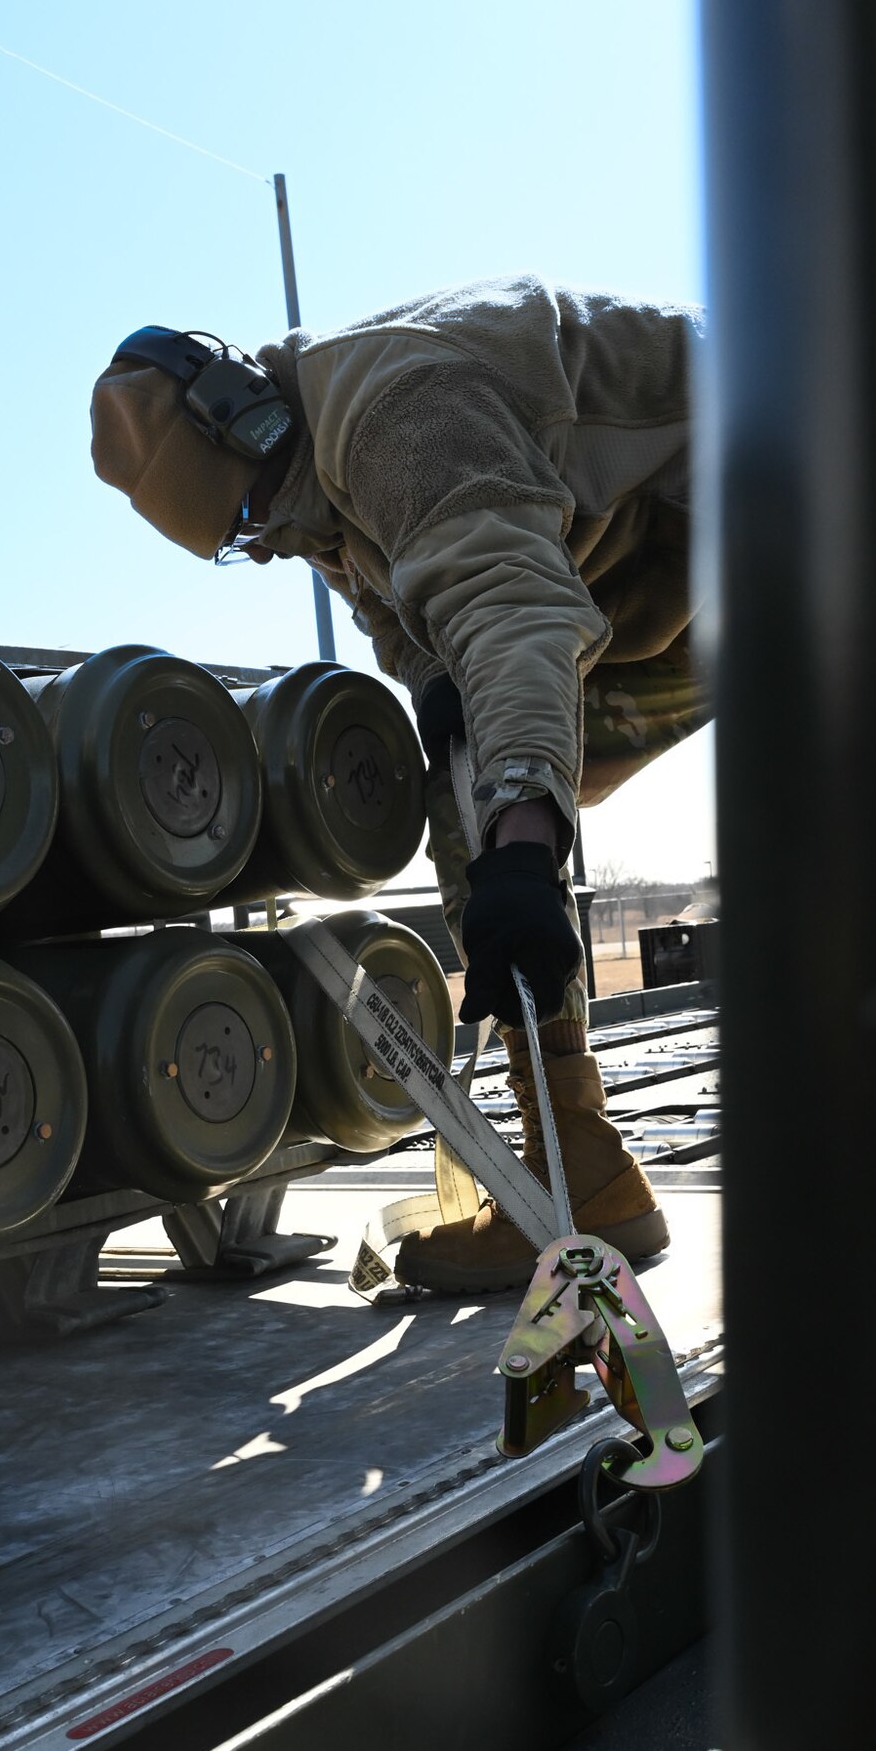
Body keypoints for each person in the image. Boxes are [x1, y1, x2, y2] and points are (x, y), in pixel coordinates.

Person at [91, 276, 709, 1293]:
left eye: (252, 508)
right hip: (646, 560)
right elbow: (403, 611)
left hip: (770, 486)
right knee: (463, 799)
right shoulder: (304, 489)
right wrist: (436, 697)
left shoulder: (392, 417)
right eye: (238, 539)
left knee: (504, 812)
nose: (265, 538)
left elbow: (509, 613)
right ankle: (581, 1169)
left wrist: (521, 846)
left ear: (243, 414)